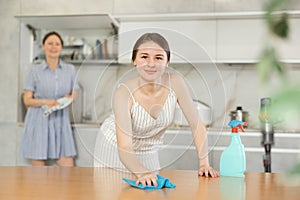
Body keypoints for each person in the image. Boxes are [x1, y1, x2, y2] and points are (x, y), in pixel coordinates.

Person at [94, 32, 219, 186]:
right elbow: (125, 147)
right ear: (134, 60)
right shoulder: (123, 92)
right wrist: (143, 172)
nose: (151, 63)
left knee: (152, 191)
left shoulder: (176, 83)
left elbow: (197, 126)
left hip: (149, 150)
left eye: (158, 58)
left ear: (167, 62)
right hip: (114, 149)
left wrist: (204, 164)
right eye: (144, 57)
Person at [20, 31, 78, 166]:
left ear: (61, 48)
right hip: (39, 121)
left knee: (68, 168)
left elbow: (74, 93)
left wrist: (70, 97)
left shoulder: (70, 70)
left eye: (57, 44)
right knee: (39, 174)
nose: (53, 47)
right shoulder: (35, 70)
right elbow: (27, 100)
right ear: (43, 46)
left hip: (60, 121)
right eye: (50, 43)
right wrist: (46, 102)